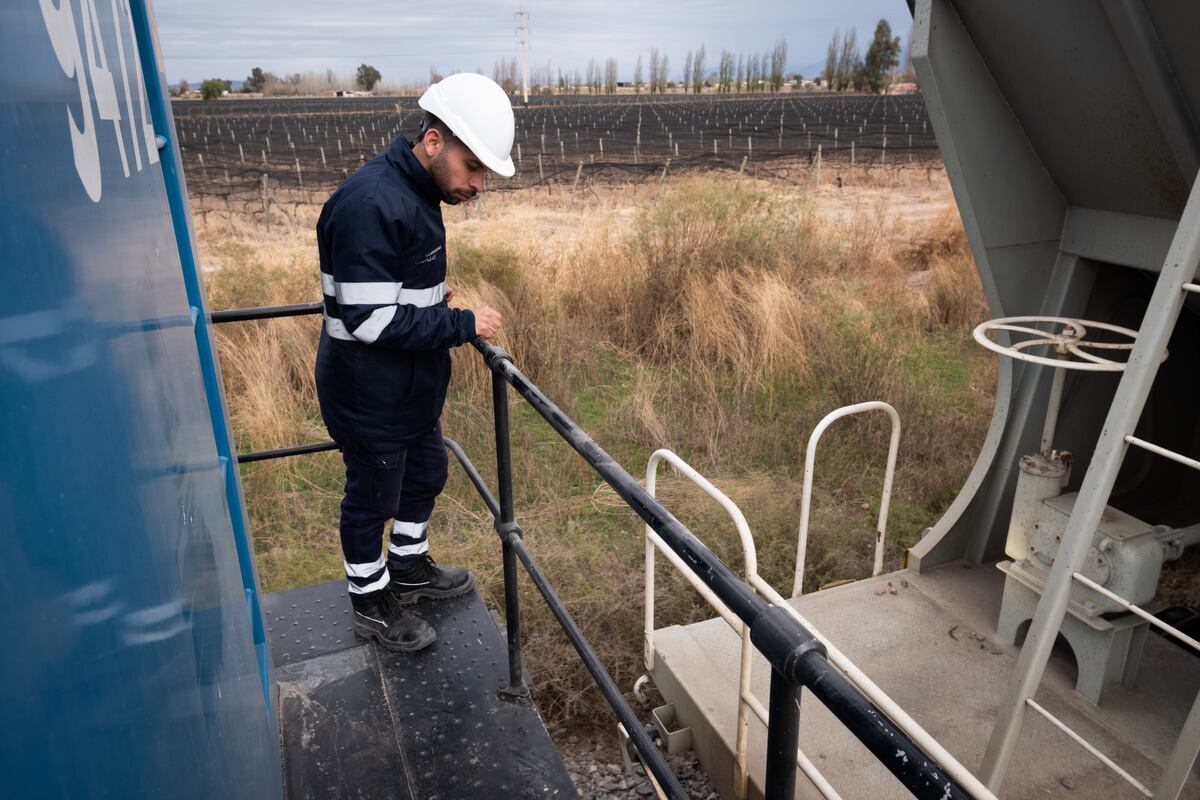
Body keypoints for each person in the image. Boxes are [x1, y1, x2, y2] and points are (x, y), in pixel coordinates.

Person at [314, 73, 513, 652]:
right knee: (372, 496)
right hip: (368, 392)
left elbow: (394, 295)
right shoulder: (372, 202)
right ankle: (371, 601)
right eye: (473, 167)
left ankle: (407, 567)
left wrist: (433, 305)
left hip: (408, 388)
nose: (478, 184)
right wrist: (461, 323)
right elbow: (369, 321)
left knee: (426, 474)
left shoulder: (417, 196)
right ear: (432, 142)